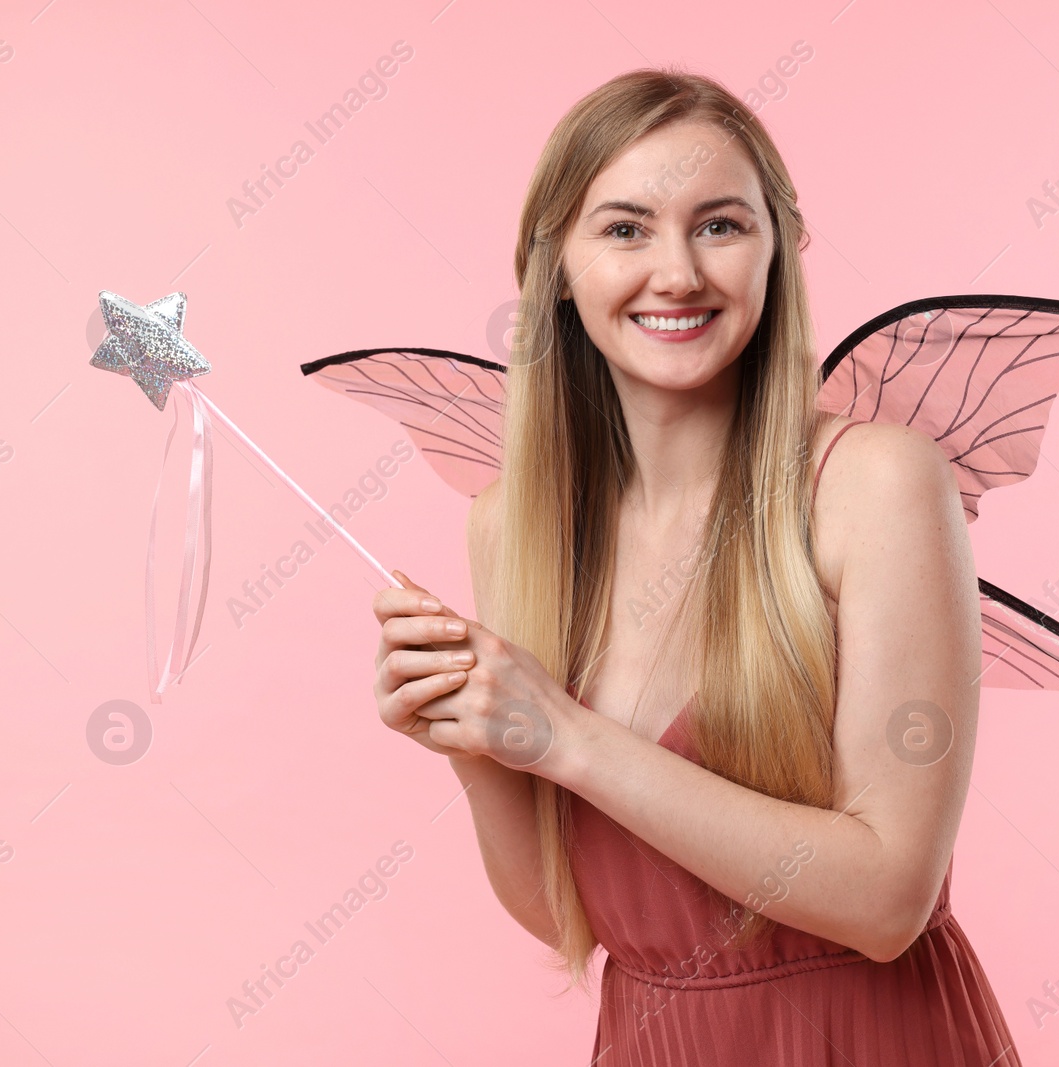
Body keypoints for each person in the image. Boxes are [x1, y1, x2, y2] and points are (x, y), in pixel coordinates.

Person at [371, 67, 1022, 1066]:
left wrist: (564, 736)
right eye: (625, 229)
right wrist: (470, 738)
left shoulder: (874, 485)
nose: (676, 273)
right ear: (554, 266)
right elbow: (567, 916)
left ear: (779, 250)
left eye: (719, 225)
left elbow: (887, 900)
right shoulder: (514, 527)